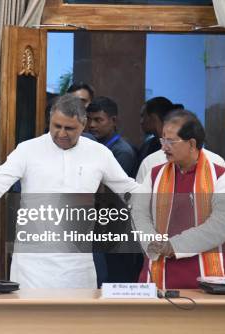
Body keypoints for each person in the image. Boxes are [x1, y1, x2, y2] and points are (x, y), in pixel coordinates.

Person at [0, 94, 139, 288]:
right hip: (32, 266)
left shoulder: (99, 153)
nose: (61, 133)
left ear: (83, 125)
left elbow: (128, 189)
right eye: (56, 126)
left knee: (76, 321)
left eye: (69, 128)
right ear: (49, 121)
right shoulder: (27, 150)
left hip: (78, 265)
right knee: (31, 321)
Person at [132, 110, 225, 289]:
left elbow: (223, 224)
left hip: (208, 277)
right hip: (160, 270)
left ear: (191, 144)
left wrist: (174, 246)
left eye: (171, 141)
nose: (164, 147)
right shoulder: (155, 174)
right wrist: (153, 242)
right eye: (162, 140)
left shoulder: (219, 176)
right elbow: (139, 213)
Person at [86, 96, 141, 285]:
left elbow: (108, 193)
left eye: (98, 120)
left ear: (114, 121)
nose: (92, 125)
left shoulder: (121, 152)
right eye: (89, 119)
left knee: (114, 280)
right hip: (100, 227)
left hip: (115, 228)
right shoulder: (94, 148)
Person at [135, 97, 175, 172]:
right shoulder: (147, 145)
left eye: (143, 116)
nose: (141, 121)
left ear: (153, 118)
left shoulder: (176, 146)